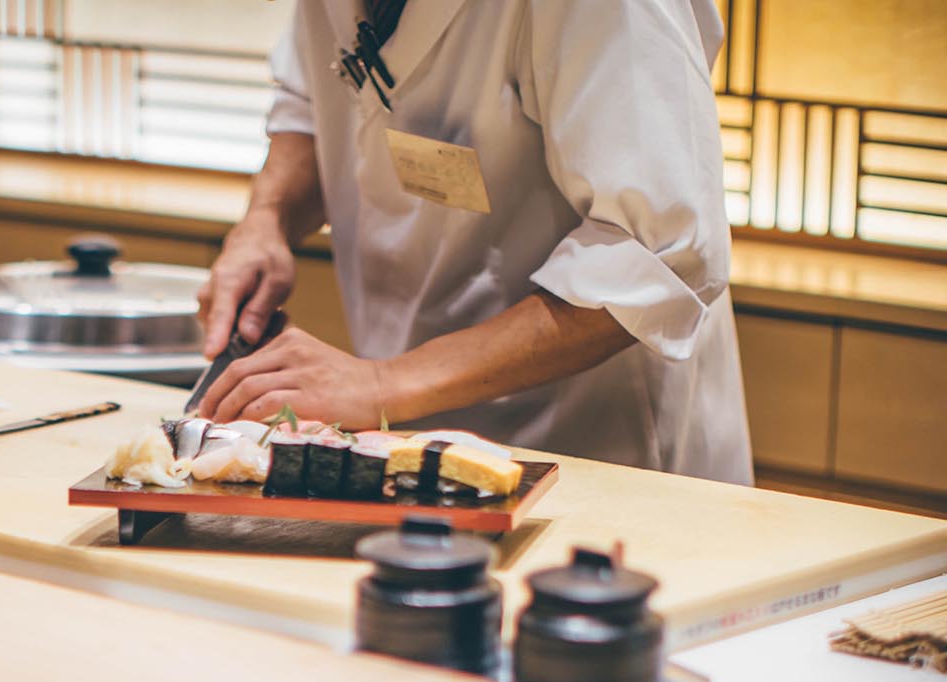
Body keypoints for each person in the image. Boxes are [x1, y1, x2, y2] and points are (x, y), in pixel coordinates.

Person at [195, 0, 753, 485]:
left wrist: (383, 383)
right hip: (405, 435)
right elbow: (311, 98)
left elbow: (653, 254)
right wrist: (266, 219)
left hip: (596, 448)